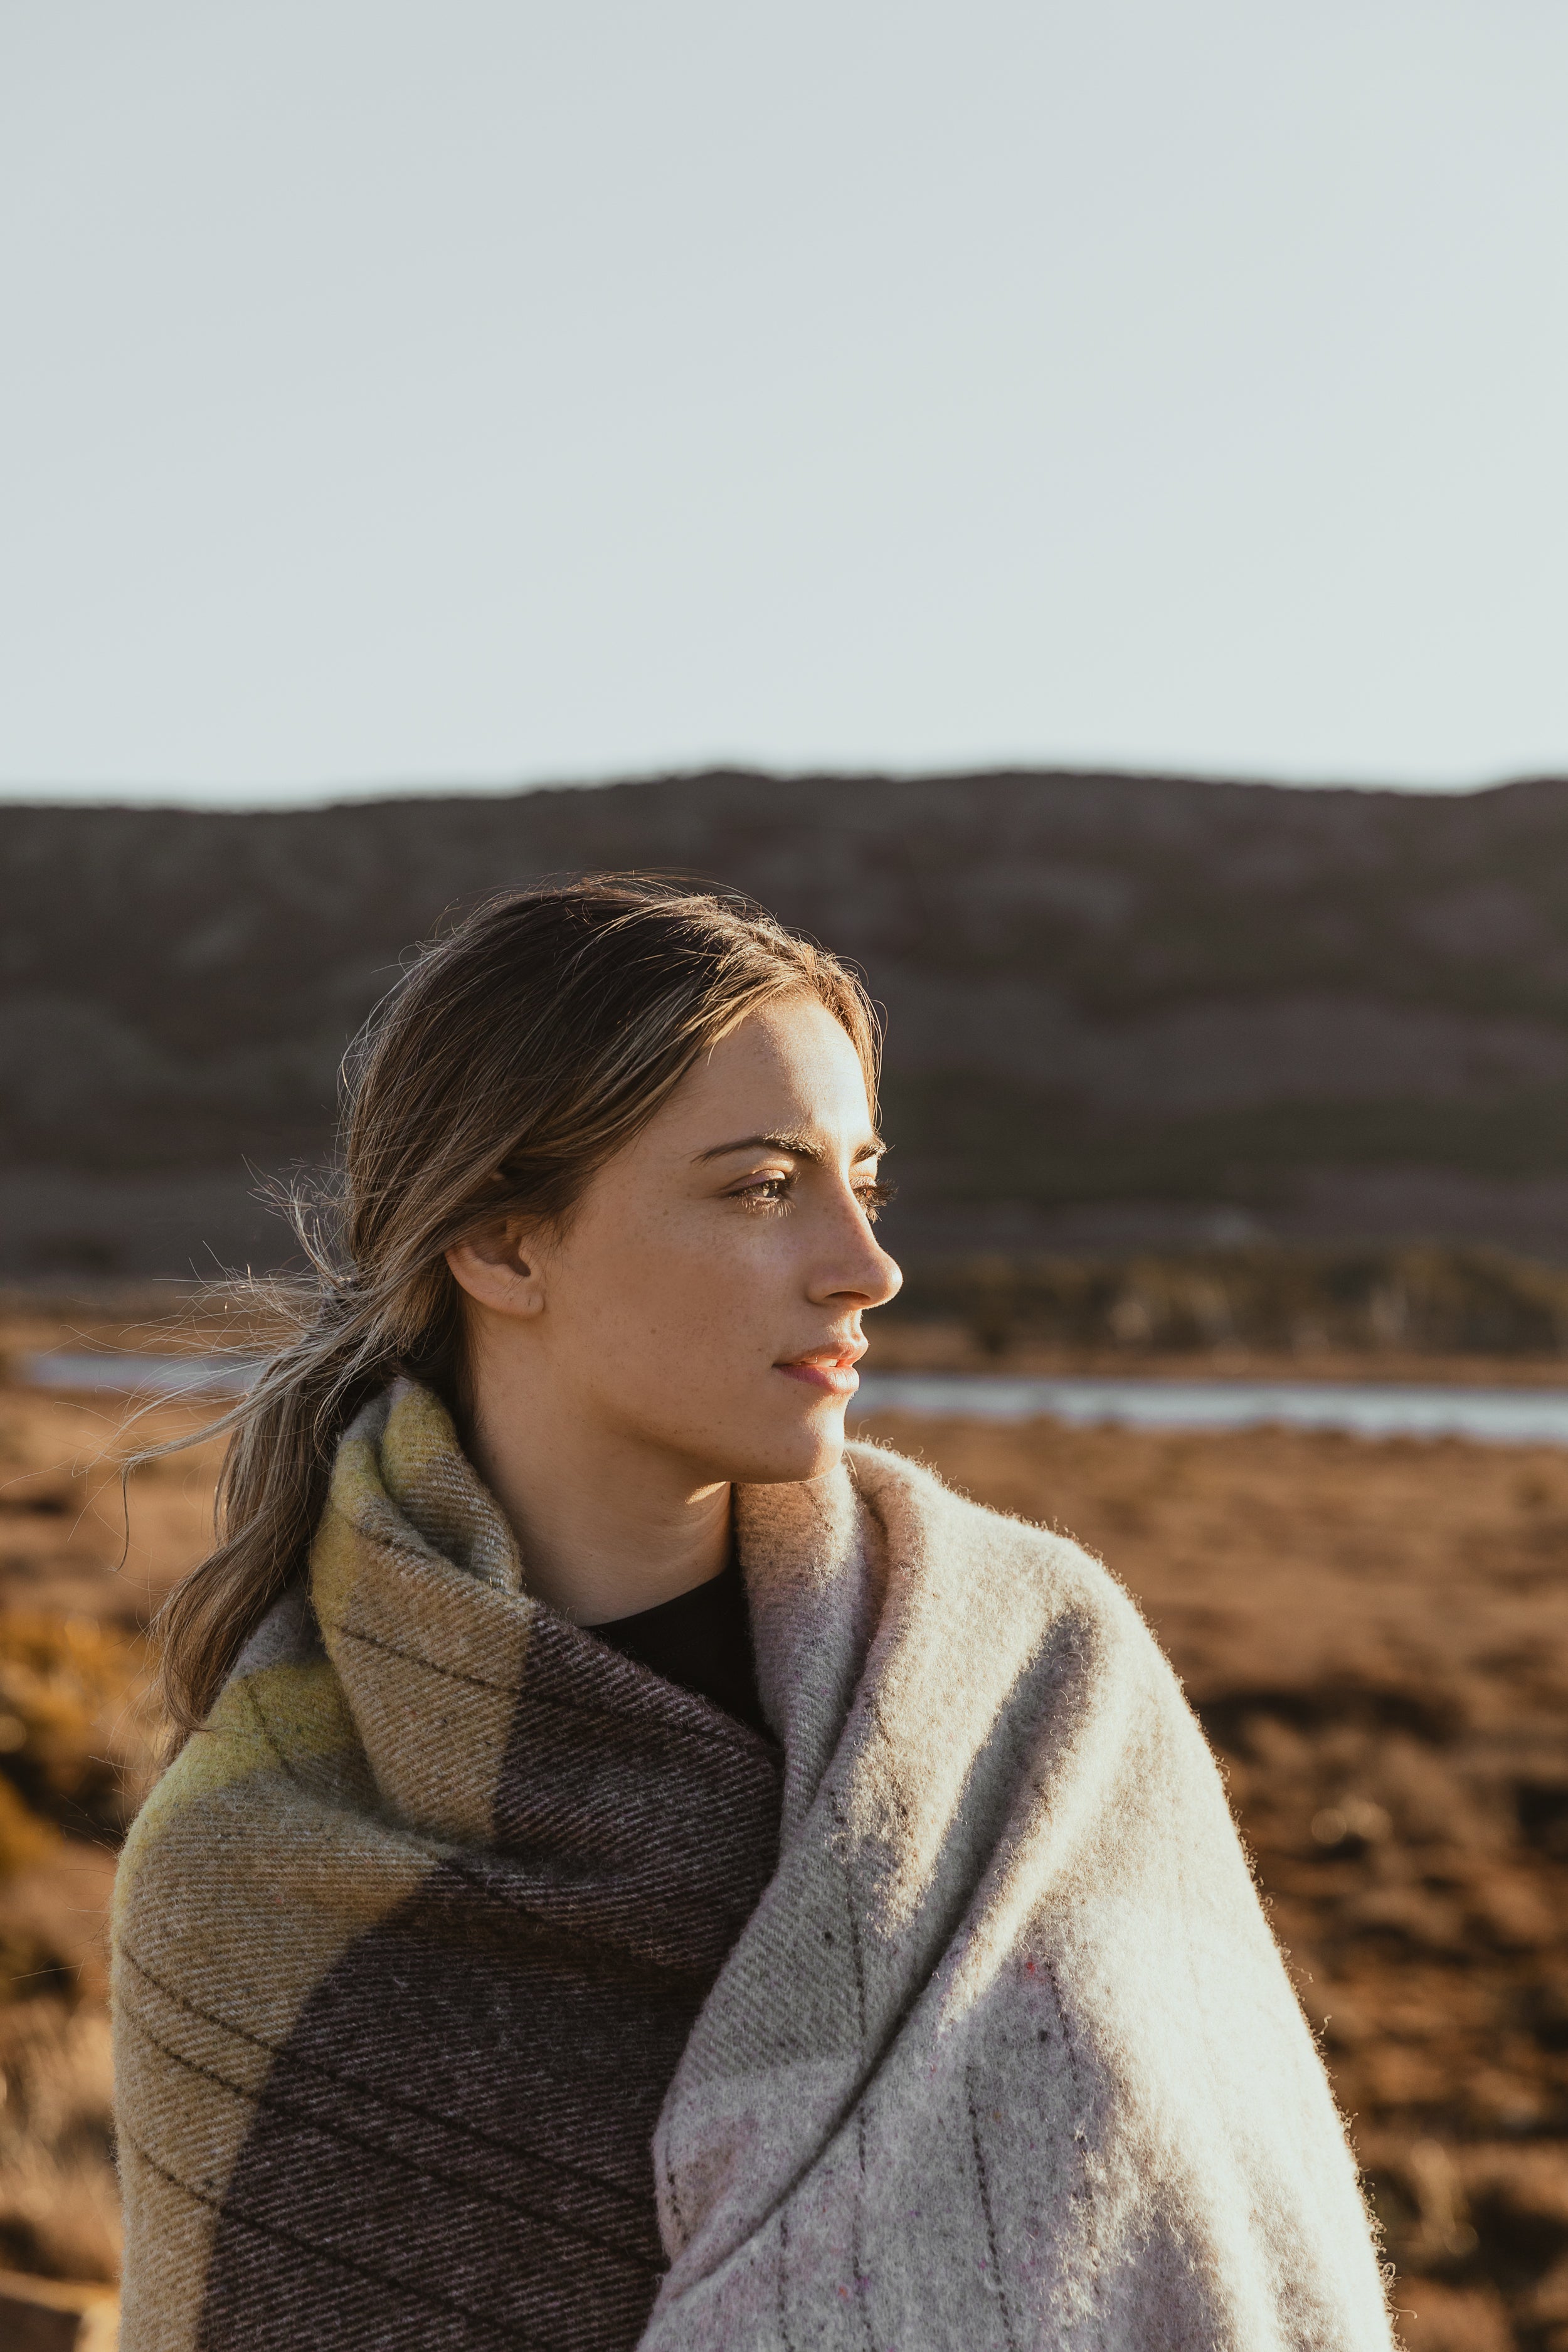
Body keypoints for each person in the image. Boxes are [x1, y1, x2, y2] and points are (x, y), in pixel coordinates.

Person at [112, 878, 1393, 2351]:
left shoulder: (1043, 1685)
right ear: (503, 1246)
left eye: (866, 1179)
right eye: (763, 1187)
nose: (867, 1266)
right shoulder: (250, 1870)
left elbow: (1245, 2249)